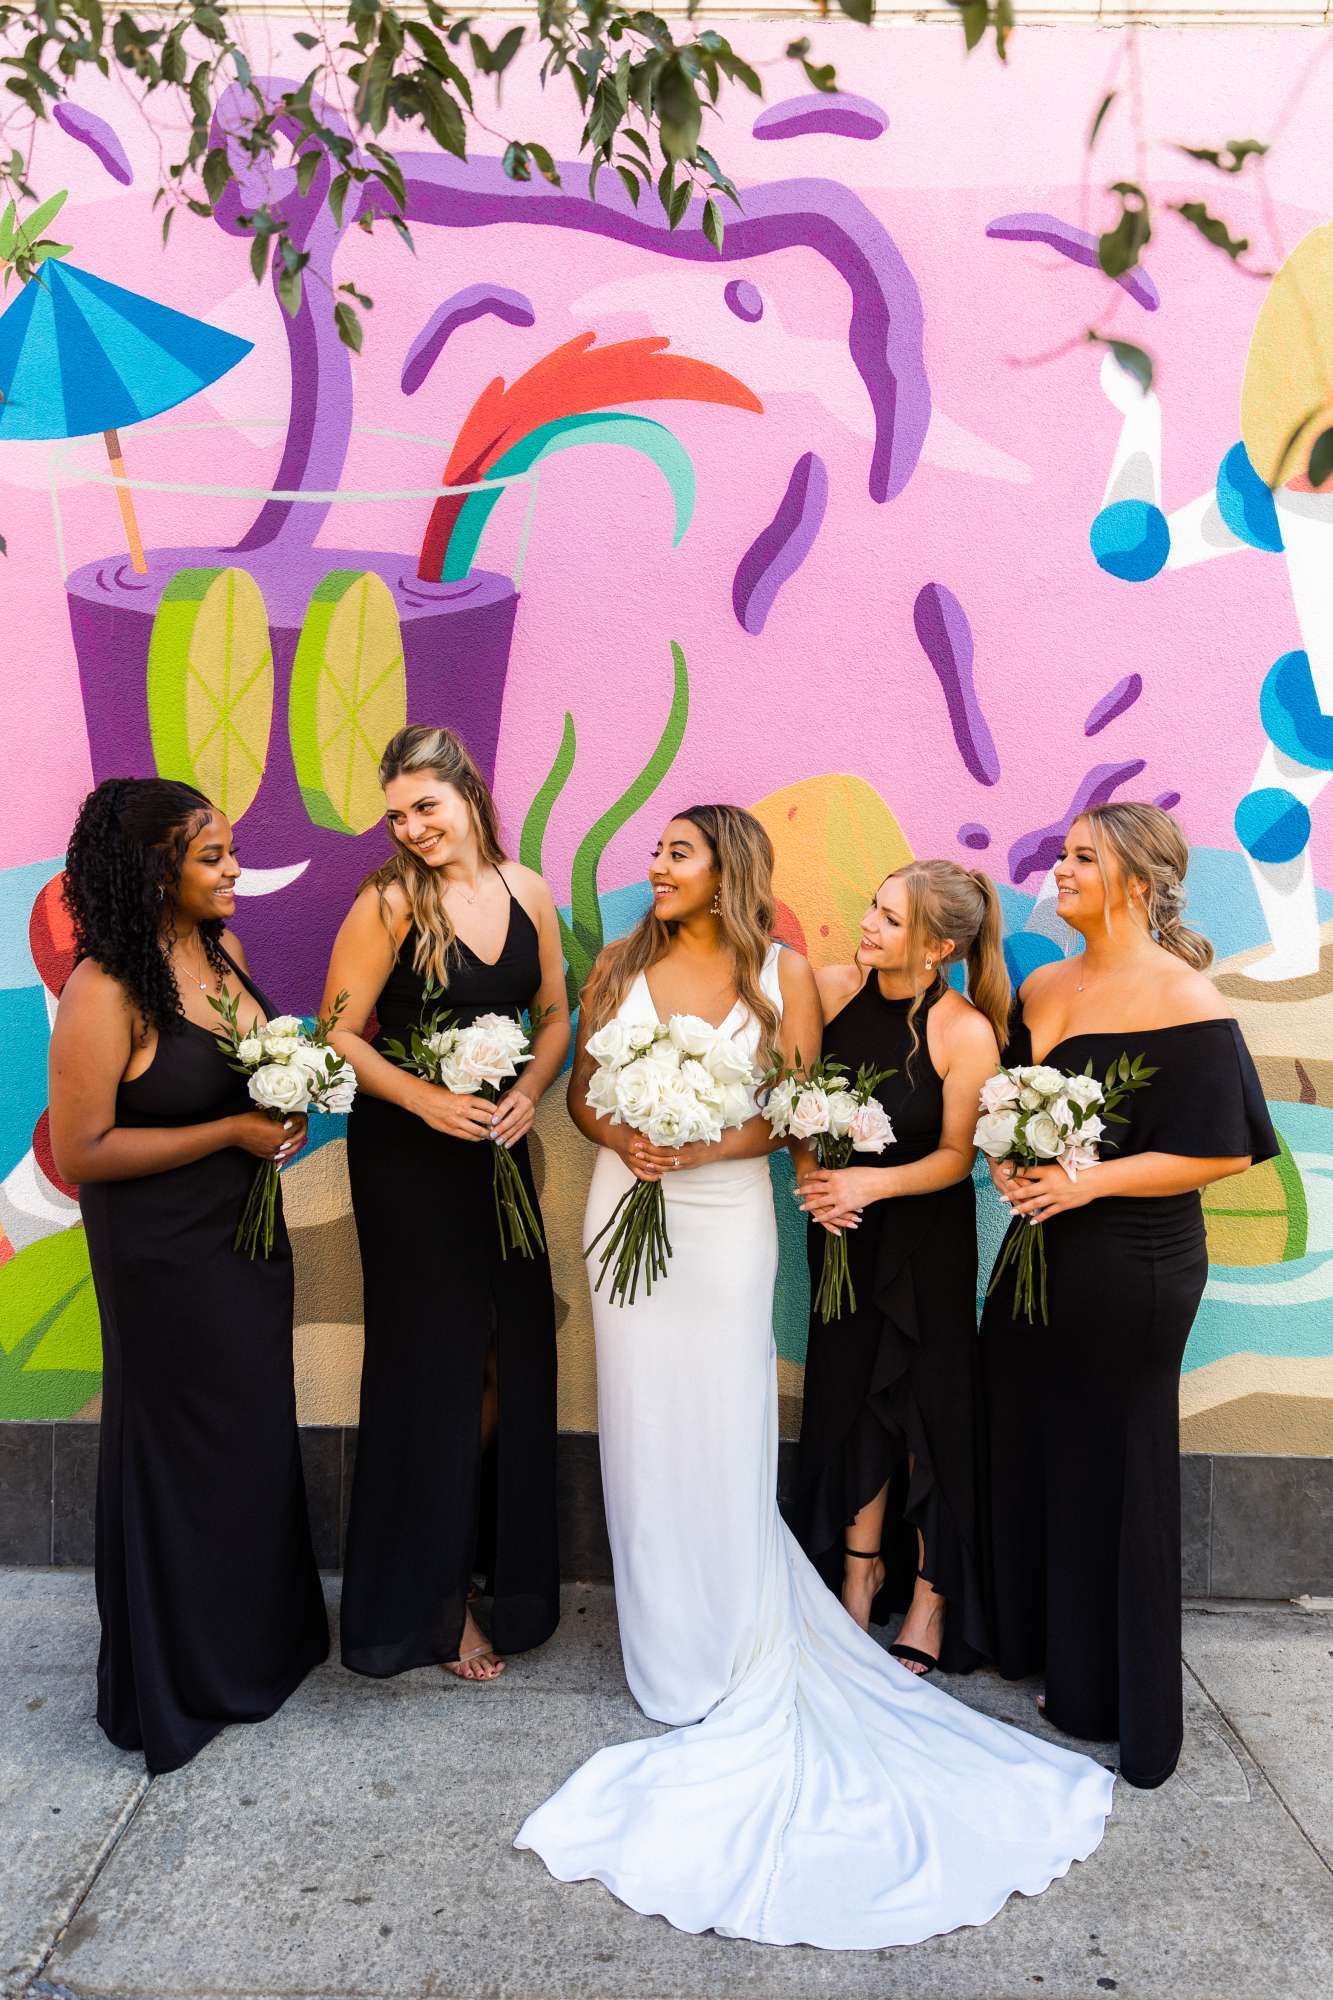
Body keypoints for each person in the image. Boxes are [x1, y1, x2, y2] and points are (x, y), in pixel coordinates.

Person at [515, 807, 1114, 1950]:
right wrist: (621, 1136)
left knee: (719, 1416)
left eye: (677, 851)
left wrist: (698, 1142)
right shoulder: (620, 960)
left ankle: (732, 1632)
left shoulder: (786, 972)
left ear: (728, 868)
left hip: (724, 1217)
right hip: (624, 1198)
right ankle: (662, 1643)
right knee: (638, 1422)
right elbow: (584, 1091)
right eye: (656, 850)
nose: (655, 865)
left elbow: (792, 1108)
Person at [981, 803, 1278, 1789]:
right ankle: (1052, 1652)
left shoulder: (1182, 995)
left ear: (1137, 883)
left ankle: (1116, 1697)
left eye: (1082, 857)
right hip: (1036, 1250)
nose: (1059, 869)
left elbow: (1224, 1148)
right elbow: (1013, 1109)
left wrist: (1087, 1182)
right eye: (1061, 854)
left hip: (1134, 1264)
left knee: (1115, 1459)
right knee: (1036, 1438)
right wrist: (1010, 1164)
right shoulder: (1041, 984)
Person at [48, 777, 328, 1775]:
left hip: (242, 1235)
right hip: (159, 1256)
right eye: (213, 856)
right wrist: (233, 1131)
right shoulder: (105, 988)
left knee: (249, 1434)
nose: (234, 870)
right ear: (155, 869)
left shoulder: (223, 952)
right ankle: (183, 1675)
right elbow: (81, 1150)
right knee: (184, 1447)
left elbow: (240, 1078)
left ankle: (258, 1647)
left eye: (230, 851)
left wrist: (282, 1112)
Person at [324, 726, 569, 1684]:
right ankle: (432, 1601)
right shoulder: (388, 901)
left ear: (469, 794)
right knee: (433, 1367)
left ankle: (475, 1562)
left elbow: (555, 1013)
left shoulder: (530, 891)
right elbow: (340, 1033)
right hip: (408, 1162)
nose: (413, 829)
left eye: (425, 806)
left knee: (510, 1355)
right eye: (396, 816)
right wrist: (425, 1100)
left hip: (498, 1152)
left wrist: (529, 1090)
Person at [791, 860, 1008, 1675]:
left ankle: (929, 1595)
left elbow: (956, 1156)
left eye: (889, 919)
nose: (867, 925)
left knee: (923, 1413)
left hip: (924, 1244)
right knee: (850, 1403)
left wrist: (867, 1183)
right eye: (872, 907)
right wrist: (814, 1178)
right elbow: (795, 1103)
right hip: (841, 1233)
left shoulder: (965, 1030)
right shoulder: (830, 989)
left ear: (937, 947)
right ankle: (858, 1576)